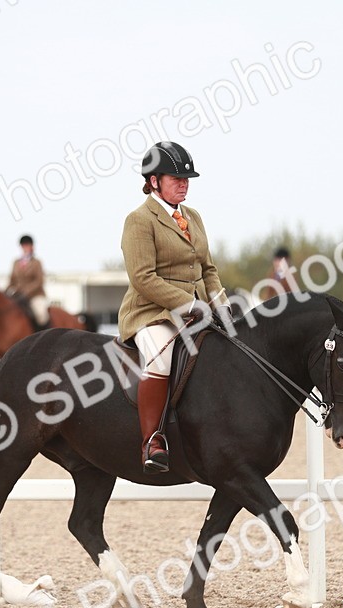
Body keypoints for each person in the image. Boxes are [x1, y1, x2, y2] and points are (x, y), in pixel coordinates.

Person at [118, 141, 231, 473]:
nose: (184, 184)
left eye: (187, 179)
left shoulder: (192, 217)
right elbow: (143, 277)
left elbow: (207, 269)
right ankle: (152, 441)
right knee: (161, 355)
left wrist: (222, 308)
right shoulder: (139, 220)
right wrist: (189, 303)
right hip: (151, 311)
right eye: (175, 178)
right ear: (154, 181)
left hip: (196, 309)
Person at [7, 234, 49, 328]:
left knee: (41, 315)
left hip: (35, 295)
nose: (25, 248)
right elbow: (11, 280)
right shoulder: (16, 262)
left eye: (27, 245)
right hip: (18, 296)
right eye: (23, 246)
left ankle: (42, 336)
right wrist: (6, 292)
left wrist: (26, 292)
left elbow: (39, 281)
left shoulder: (37, 263)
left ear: (32, 246)